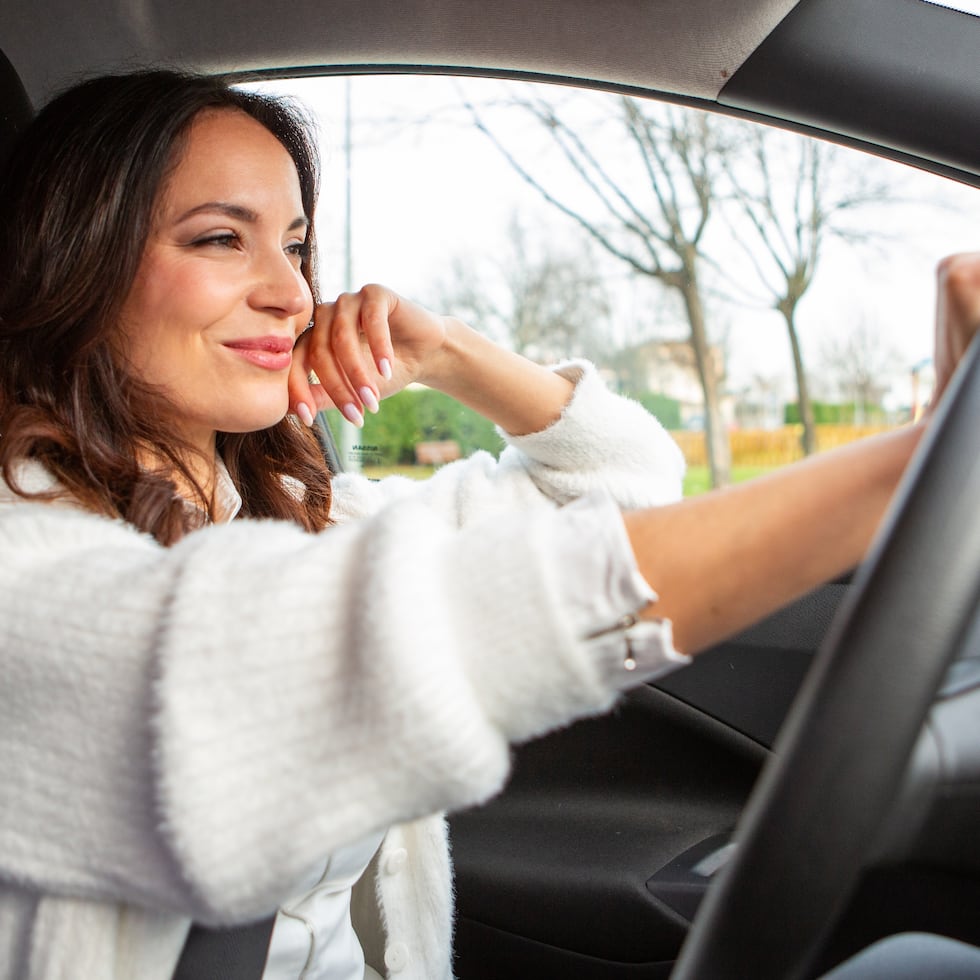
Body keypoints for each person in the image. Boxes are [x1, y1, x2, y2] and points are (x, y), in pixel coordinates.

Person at [0, 69, 974, 980]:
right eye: (221, 238)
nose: (292, 293)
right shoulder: (29, 575)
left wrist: (447, 351)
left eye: (295, 245)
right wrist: (915, 462)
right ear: (75, 253)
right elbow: (403, 627)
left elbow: (625, 484)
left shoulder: (300, 517)